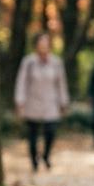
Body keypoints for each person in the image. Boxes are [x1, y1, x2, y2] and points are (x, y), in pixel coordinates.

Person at [14, 32, 69, 172]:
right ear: (36, 45)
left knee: (51, 131)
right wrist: (20, 100)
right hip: (33, 102)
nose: (43, 46)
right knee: (32, 134)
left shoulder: (56, 62)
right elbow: (22, 82)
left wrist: (64, 102)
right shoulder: (29, 62)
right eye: (41, 43)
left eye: (46, 43)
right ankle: (34, 161)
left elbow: (61, 83)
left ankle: (46, 155)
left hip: (51, 103)